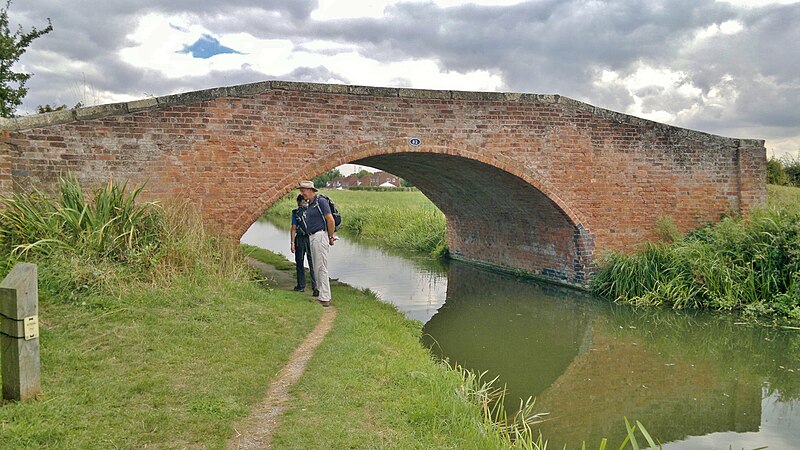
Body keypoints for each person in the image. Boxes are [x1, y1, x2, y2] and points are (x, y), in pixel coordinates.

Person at [298, 180, 336, 307]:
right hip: (313, 237)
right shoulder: (311, 203)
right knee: (316, 266)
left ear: (310, 190)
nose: (302, 194)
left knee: (321, 267)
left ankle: (325, 297)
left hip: (320, 236)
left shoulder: (321, 201)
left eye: (303, 191)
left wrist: (330, 236)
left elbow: (330, 220)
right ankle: (321, 294)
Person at [290, 194, 318, 296]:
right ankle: (315, 287)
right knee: (312, 263)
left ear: (298, 202)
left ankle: (301, 286)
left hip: (300, 239)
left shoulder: (296, 212)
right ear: (305, 201)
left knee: (300, 263)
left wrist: (292, 243)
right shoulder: (311, 210)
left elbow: (294, 228)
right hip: (311, 238)